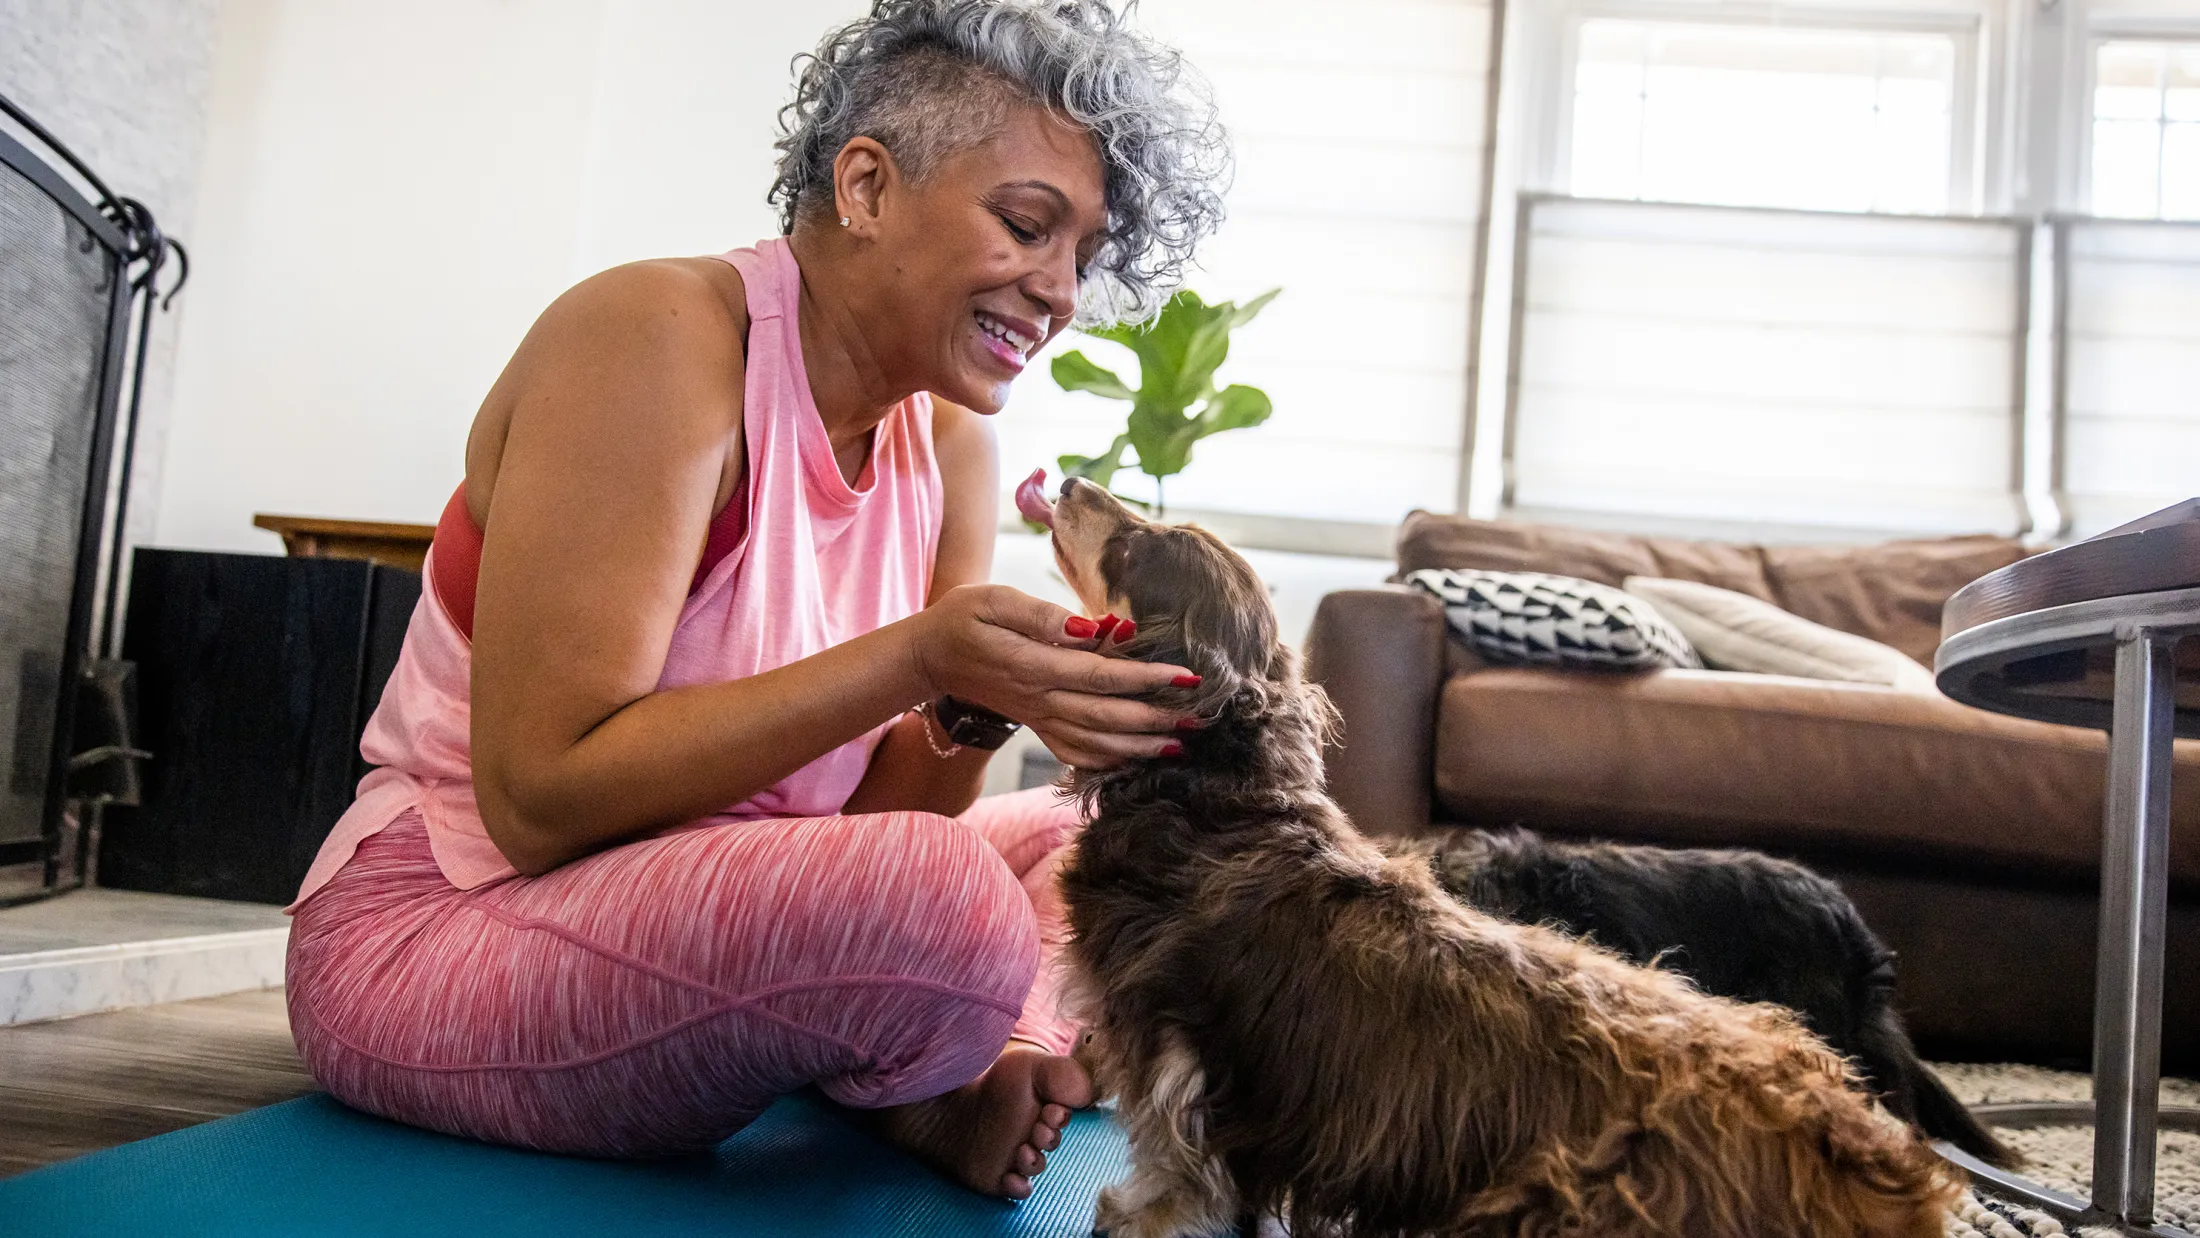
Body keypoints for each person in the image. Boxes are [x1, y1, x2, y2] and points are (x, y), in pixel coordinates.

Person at [281, 0, 1228, 1201]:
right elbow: (538, 797)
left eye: (1082, 257)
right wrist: (921, 654)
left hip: (734, 906)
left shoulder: (949, 440)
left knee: (1108, 845)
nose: (1060, 293)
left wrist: (988, 701)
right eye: (1028, 226)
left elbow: (885, 819)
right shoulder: (656, 337)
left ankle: (962, 1064)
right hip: (448, 926)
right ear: (869, 185)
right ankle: (927, 1067)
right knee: (943, 913)